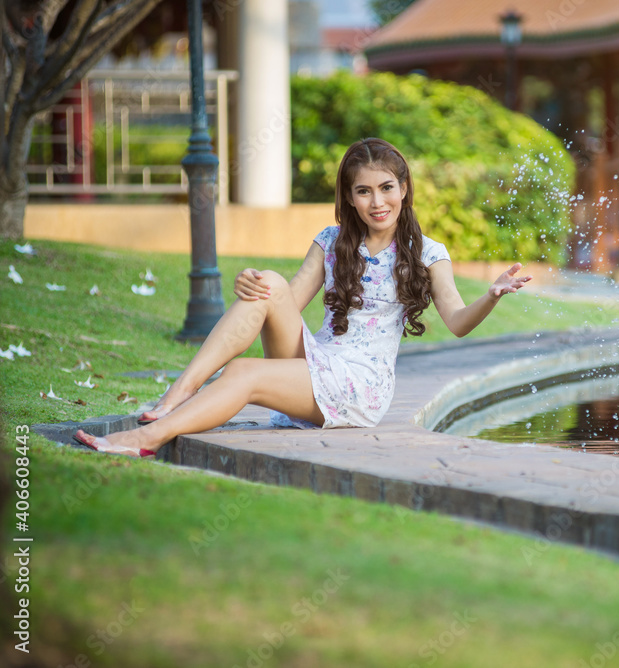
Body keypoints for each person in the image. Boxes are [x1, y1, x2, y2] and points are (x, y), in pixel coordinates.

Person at [73, 138, 531, 457]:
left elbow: (458, 321)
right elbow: (283, 302)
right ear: (349, 197)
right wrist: (251, 285)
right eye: (364, 191)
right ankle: (181, 391)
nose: (377, 202)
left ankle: (146, 439)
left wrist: (492, 295)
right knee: (269, 282)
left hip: (361, 384)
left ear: (404, 189)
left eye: (386, 188)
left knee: (244, 371)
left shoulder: (428, 252)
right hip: (319, 359)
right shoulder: (331, 241)